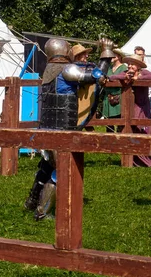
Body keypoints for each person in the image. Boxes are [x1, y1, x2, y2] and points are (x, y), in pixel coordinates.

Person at [24, 38, 113, 221]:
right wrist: (106, 53)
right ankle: (43, 212)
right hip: (62, 128)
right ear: (65, 51)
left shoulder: (48, 71)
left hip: (47, 127)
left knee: (46, 167)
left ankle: (31, 201)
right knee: (59, 172)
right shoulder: (67, 70)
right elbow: (98, 77)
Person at [108, 54, 151, 167]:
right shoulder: (125, 72)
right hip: (130, 106)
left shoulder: (144, 73)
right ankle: (133, 160)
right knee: (129, 130)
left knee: (143, 131)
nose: (130, 66)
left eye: (133, 64)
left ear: (138, 66)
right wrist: (125, 77)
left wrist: (137, 78)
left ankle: (148, 162)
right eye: (129, 63)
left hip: (142, 107)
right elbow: (112, 77)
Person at [102, 49, 128, 132]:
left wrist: (110, 79)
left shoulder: (123, 68)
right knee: (109, 125)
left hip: (118, 97)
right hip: (107, 97)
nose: (112, 57)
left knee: (120, 124)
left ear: (119, 56)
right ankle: (109, 142)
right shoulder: (109, 67)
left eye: (114, 55)